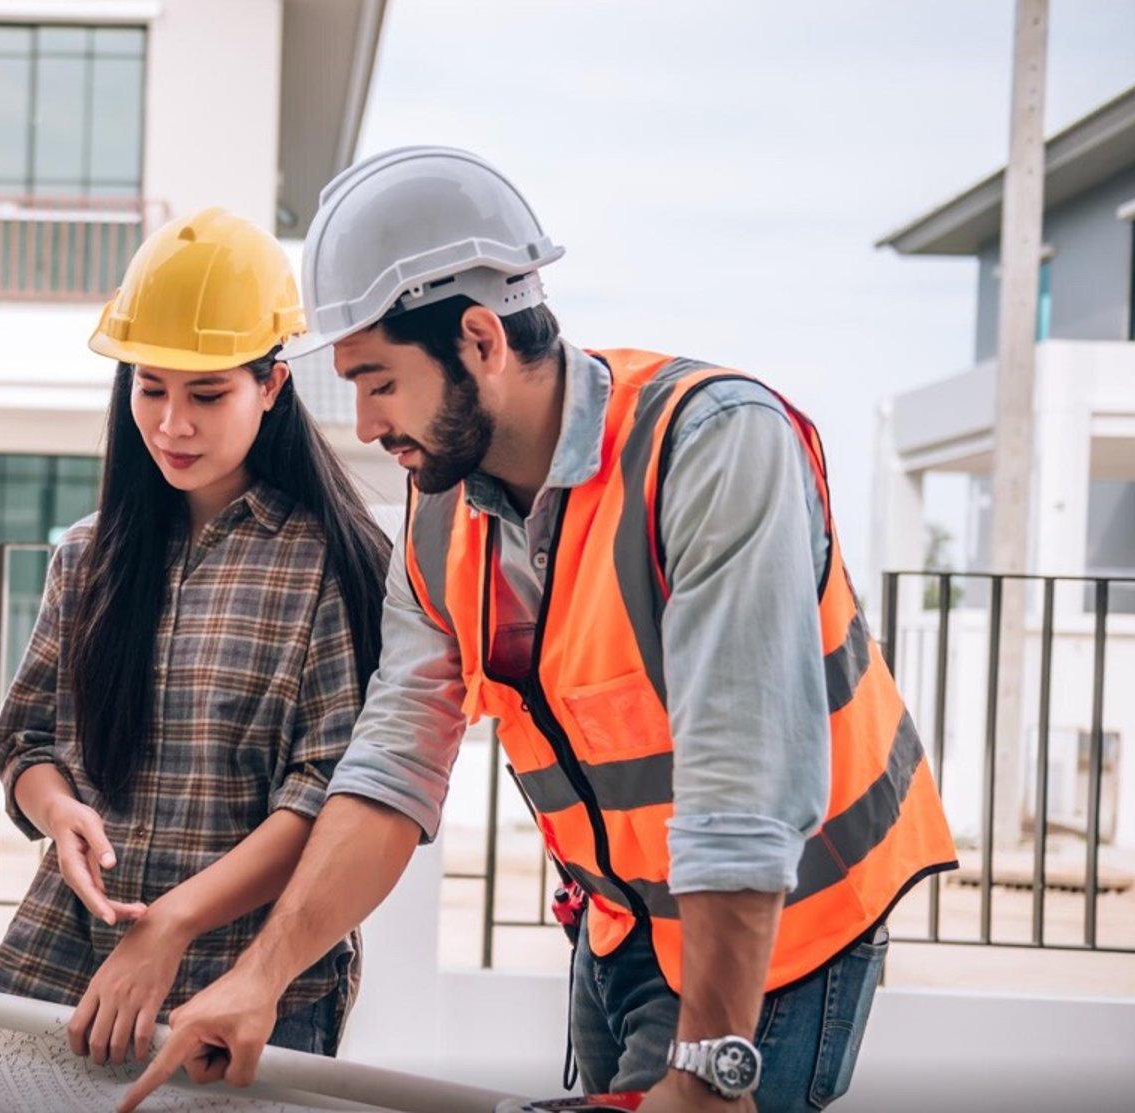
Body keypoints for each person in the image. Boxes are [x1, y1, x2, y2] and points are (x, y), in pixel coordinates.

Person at [122, 148, 958, 1113]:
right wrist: (259, 977)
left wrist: (713, 1059)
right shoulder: (439, 518)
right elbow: (391, 768)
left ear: (480, 340)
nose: (363, 420)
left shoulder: (712, 447)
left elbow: (743, 775)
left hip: (777, 935)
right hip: (618, 930)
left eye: (381, 380)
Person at [0, 208, 391, 1066]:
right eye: (149, 388)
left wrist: (174, 921)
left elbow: (324, 796)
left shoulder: (331, 566)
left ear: (273, 386)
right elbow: (25, 739)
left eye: (207, 394)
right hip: (71, 966)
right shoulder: (88, 556)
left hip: (247, 990)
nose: (172, 425)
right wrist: (61, 815)